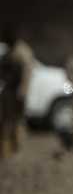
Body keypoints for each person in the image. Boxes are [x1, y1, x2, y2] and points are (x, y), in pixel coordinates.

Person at [0, 25, 36, 159]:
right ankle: (5, 149)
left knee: (18, 121)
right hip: (8, 90)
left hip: (17, 92)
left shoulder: (23, 51)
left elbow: (27, 74)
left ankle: (18, 149)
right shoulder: (9, 51)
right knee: (6, 121)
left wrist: (22, 93)